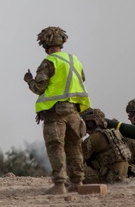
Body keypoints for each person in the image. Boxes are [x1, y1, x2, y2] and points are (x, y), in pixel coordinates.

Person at [24, 26, 91, 195]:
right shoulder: (74, 60)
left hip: (55, 113)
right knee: (75, 147)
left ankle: (59, 184)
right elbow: (81, 78)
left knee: (56, 147)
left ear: (45, 44)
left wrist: (29, 80)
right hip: (74, 112)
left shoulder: (49, 62)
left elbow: (39, 87)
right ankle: (78, 183)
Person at [80, 108, 131, 184]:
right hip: (122, 177)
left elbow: (78, 158)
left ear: (90, 124)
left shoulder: (95, 137)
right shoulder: (115, 133)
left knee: (74, 169)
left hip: (109, 179)